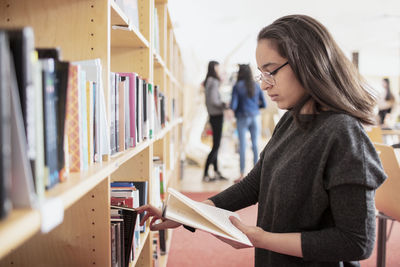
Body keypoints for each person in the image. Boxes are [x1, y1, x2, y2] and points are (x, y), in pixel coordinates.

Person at [136, 14, 387, 266]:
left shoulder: (343, 134)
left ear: (307, 62)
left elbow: (357, 242)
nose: (265, 85)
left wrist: (263, 239)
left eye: (271, 72)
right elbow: (255, 184)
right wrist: (188, 214)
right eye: (261, 74)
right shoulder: (292, 119)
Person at [230, 64, 266, 183]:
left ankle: (241, 174)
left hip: (242, 117)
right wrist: (255, 107)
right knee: (255, 144)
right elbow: (264, 104)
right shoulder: (256, 85)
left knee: (243, 145)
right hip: (255, 116)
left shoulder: (237, 86)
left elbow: (233, 106)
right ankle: (257, 175)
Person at [202, 60, 228, 182]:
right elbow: (213, 100)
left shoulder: (208, 81)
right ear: (214, 67)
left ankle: (216, 171)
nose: (219, 69)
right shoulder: (214, 81)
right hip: (217, 115)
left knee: (216, 144)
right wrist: (224, 104)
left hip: (213, 115)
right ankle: (206, 173)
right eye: (218, 67)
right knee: (216, 145)